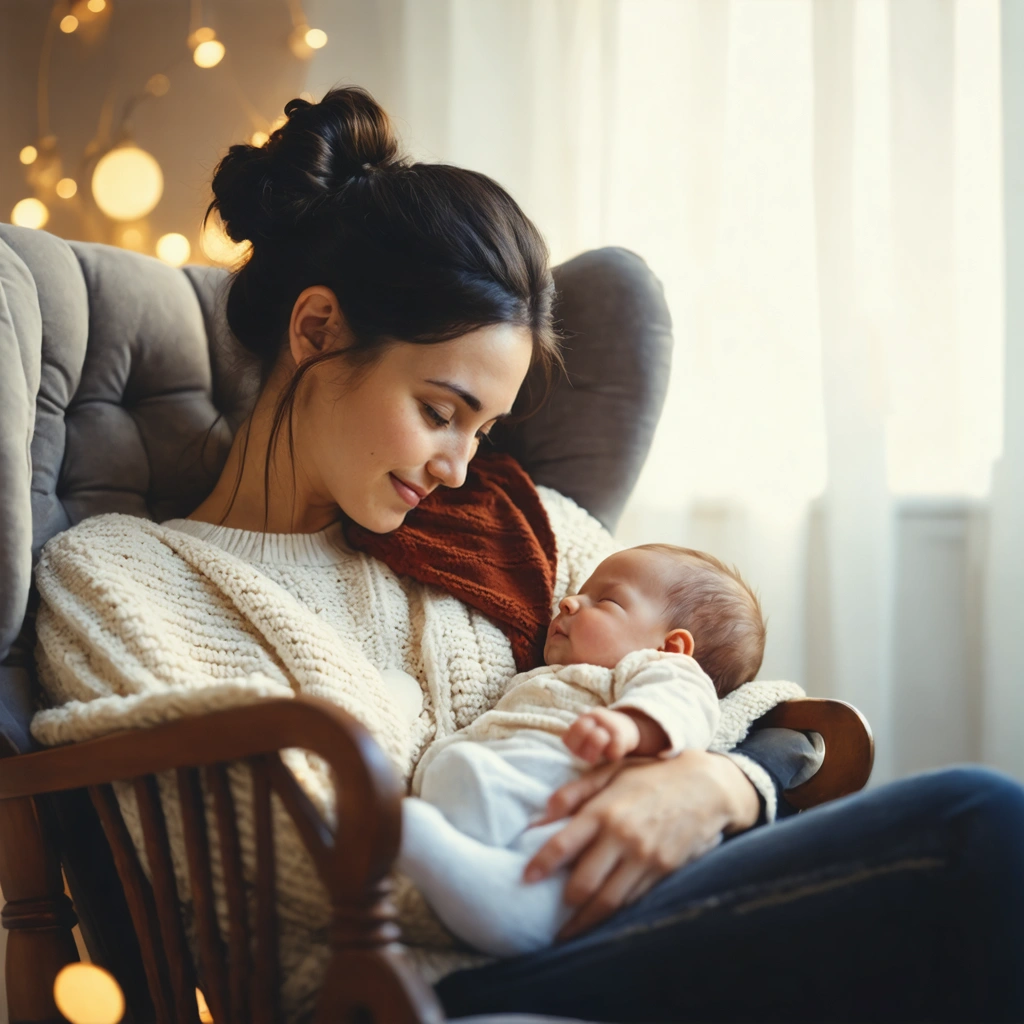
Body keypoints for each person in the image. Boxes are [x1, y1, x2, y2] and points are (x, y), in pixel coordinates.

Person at [30, 85, 1024, 1023]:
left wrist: (715, 788)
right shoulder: (120, 578)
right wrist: (599, 845)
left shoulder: (516, 528)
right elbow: (294, 882)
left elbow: (747, 695)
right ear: (319, 329)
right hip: (411, 984)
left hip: (617, 923)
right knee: (977, 829)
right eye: (439, 411)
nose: (461, 467)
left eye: (482, 428)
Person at [400, 543, 802, 957]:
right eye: (580, 592)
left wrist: (633, 725)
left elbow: (686, 703)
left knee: (530, 830)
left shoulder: (660, 671)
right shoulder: (556, 673)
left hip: (566, 788)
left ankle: (515, 907)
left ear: (670, 647)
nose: (569, 601)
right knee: (460, 771)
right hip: (504, 779)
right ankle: (472, 872)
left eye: (605, 600)